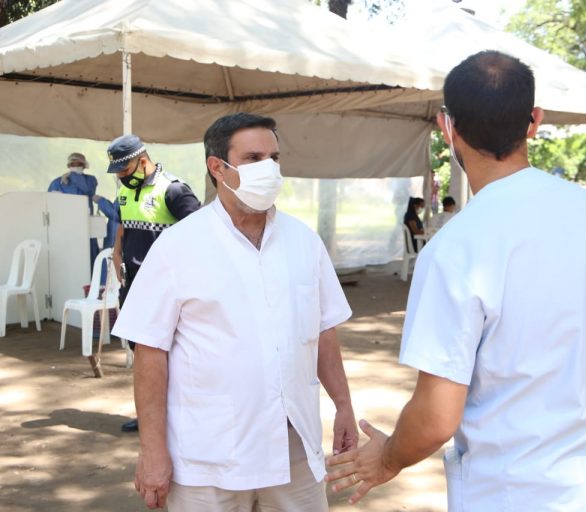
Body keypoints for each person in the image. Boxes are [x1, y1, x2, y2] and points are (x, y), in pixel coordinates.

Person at [326, 50, 586, 510]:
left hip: (512, 488)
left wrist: (387, 459)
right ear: (534, 121)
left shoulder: (455, 248)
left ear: (447, 127)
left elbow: (436, 418)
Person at [111, 113, 358, 511]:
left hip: (294, 449)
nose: (269, 169)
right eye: (254, 158)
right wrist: (152, 450)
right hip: (209, 456)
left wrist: (343, 405)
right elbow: (150, 352)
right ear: (217, 167)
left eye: (274, 158)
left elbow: (323, 330)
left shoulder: (303, 242)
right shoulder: (178, 247)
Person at [106, 134, 201, 433]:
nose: (121, 177)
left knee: (172, 353)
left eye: (124, 170)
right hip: (134, 285)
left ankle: (181, 416)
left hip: (166, 288)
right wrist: (117, 254)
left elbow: (202, 233)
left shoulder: (173, 190)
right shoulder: (124, 191)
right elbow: (123, 226)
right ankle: (151, 414)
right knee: (142, 352)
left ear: (142, 161)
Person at [48, 152, 100, 268]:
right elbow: (51, 205)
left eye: (79, 164)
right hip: (65, 227)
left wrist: (73, 176)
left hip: (86, 225)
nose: (76, 166)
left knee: (88, 258)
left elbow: (87, 190)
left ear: (84, 165)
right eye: (73, 164)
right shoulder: (57, 182)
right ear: (68, 165)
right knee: (68, 260)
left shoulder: (90, 180)